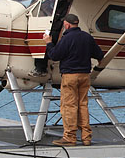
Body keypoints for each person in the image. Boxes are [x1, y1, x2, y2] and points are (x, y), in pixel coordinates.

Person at [43, 14, 104, 146]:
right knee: (82, 104)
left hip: (70, 75)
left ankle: (70, 137)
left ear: (67, 25)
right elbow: (99, 54)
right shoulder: (87, 37)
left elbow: (54, 55)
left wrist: (48, 42)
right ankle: (86, 137)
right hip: (85, 75)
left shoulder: (66, 38)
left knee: (69, 105)